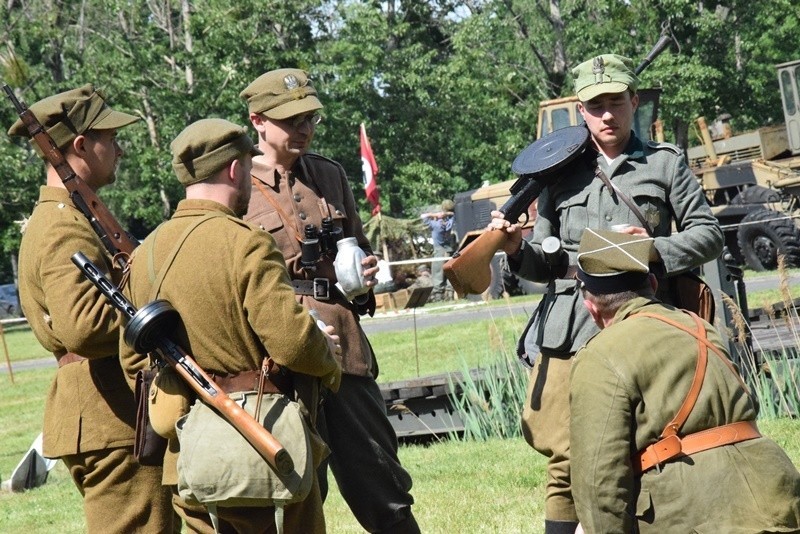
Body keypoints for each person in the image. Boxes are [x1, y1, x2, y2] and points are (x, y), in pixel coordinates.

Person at [489, 54, 724, 534]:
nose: (607, 115)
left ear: (633, 102)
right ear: (581, 111)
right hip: (573, 326)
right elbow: (548, 262)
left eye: (616, 102)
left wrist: (646, 251)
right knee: (564, 454)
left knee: (653, 440)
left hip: (646, 320)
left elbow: (708, 235)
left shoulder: (663, 164)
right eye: (595, 106)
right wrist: (517, 251)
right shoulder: (558, 173)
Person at [119, 118, 342, 533]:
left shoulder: (146, 254)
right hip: (263, 443)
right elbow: (293, 343)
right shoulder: (246, 242)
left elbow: (132, 360)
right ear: (236, 170)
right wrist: (328, 357)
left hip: (190, 458)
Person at [240, 68, 420, 533]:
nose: (304, 127)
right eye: (290, 118)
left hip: (347, 351)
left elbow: (356, 245)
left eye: (310, 117)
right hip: (282, 354)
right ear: (257, 120)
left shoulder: (329, 174)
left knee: (383, 485)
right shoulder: (236, 183)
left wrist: (366, 272)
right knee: (296, 494)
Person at [8, 84, 174, 532]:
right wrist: (154, 308)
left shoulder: (65, 218)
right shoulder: (65, 227)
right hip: (111, 416)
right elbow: (82, 326)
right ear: (80, 145)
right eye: (110, 138)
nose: (119, 150)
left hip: (101, 412)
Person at [570, 228, 800, 533]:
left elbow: (600, 481)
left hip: (694, 515)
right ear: (652, 283)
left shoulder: (599, 355)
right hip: (777, 498)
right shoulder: (701, 327)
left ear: (592, 309)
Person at [421, 199, 456, 301]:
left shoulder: (435, 225)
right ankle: (449, 295)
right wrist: (445, 214)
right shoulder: (449, 223)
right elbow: (453, 215)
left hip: (439, 251)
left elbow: (423, 217)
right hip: (449, 251)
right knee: (450, 273)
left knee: (437, 275)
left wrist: (434, 215)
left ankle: (438, 297)